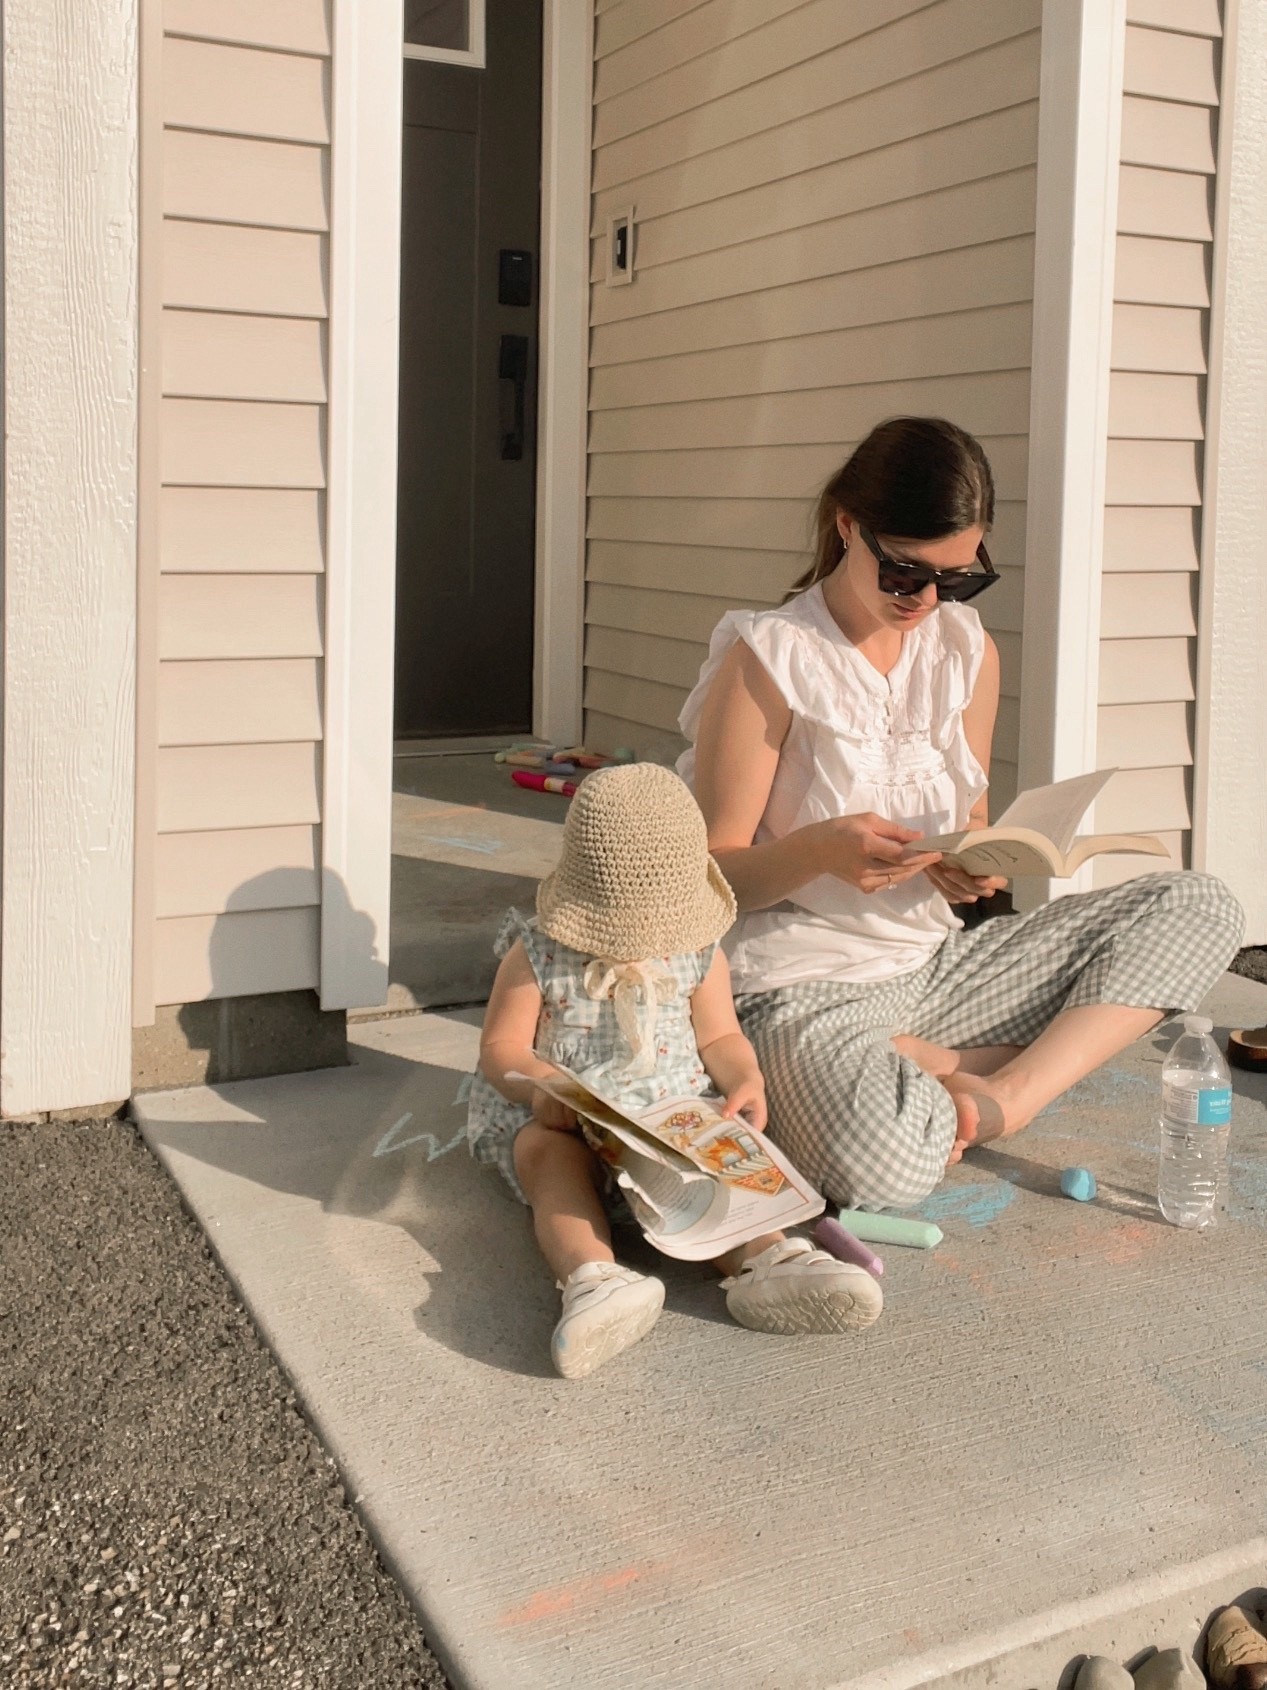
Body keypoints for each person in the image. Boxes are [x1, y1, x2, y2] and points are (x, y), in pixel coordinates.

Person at [678, 416, 1244, 1213]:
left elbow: (967, 822)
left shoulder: (966, 651)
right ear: (848, 527)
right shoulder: (769, 658)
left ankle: (999, 1090)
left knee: (1198, 904)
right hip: (803, 984)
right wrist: (817, 851)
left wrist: (966, 863)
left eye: (959, 576)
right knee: (889, 1170)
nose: (931, 598)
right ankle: (933, 1066)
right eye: (907, 574)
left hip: (937, 970)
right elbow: (704, 882)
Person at [467, 762, 882, 1379]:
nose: (647, 943)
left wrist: (745, 1078)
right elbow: (501, 1050)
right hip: (569, 1120)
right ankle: (592, 1277)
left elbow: (719, 1035)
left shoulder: (697, 955)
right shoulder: (538, 955)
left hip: (671, 1123)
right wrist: (543, 1088)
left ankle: (769, 1263)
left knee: (721, 1169)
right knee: (544, 1155)